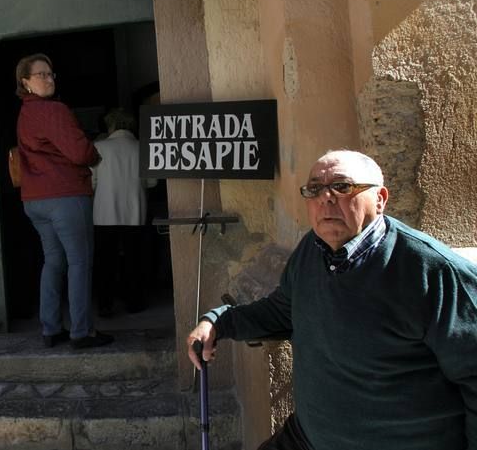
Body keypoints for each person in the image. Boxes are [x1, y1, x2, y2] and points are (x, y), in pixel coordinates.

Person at [187, 150, 477, 450]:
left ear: (380, 199)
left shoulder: (431, 270)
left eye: (343, 187)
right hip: (309, 436)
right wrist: (219, 322)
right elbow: (282, 310)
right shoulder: (312, 249)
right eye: (314, 189)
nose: (326, 198)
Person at [15, 53, 113, 349]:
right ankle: (82, 332)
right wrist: (95, 155)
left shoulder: (25, 114)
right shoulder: (53, 110)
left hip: (34, 200)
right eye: (41, 75)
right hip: (65, 196)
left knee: (53, 261)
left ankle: (51, 329)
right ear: (25, 82)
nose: (48, 79)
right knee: (79, 261)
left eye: (51, 74)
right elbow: (81, 153)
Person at [91, 108, 157, 316]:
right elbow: (152, 181)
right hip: (134, 211)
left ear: (110, 125)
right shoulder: (143, 148)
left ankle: (105, 304)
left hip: (104, 212)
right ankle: (134, 302)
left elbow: (91, 183)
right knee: (134, 259)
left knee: (105, 260)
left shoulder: (98, 147)